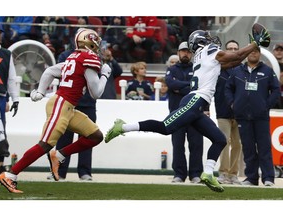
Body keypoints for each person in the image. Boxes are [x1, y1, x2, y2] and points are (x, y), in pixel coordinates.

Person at [104, 28, 270, 192]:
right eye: (206, 37)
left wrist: (254, 46)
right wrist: (254, 44)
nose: (210, 40)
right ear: (200, 41)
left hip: (197, 103)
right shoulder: (208, 50)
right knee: (165, 128)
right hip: (195, 100)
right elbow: (235, 56)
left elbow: (233, 61)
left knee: (220, 139)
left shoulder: (203, 55)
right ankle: (123, 127)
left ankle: (207, 174)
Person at [0, 28, 112, 193]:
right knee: (44, 144)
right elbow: (96, 93)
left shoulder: (74, 56)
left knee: (95, 136)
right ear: (90, 42)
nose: (98, 47)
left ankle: (59, 155)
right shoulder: (87, 58)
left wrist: (41, 91)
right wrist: (105, 75)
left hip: (67, 107)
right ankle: (10, 175)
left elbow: (50, 70)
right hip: (61, 105)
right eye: (95, 42)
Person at [225, 46, 280, 186]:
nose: (253, 53)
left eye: (256, 51)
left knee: (264, 148)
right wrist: (233, 103)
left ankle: (268, 178)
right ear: (247, 54)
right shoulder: (237, 71)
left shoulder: (267, 71)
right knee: (248, 148)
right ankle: (251, 178)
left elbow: (275, 90)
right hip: (242, 116)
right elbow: (228, 88)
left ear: (260, 55)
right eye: (251, 51)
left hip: (261, 117)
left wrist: (265, 105)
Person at [46, 41, 96, 181]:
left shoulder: (94, 57)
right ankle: (60, 172)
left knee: (88, 138)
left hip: (87, 103)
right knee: (63, 138)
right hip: (69, 101)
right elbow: (62, 74)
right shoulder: (66, 55)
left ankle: (85, 171)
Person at [165, 41, 203, 183]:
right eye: (183, 51)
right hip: (177, 113)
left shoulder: (198, 69)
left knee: (196, 145)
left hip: (195, 113)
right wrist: (189, 85)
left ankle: (195, 174)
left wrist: (180, 87)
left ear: (192, 54)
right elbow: (171, 83)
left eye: (188, 51)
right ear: (178, 53)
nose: (185, 53)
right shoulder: (172, 69)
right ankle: (179, 174)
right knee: (178, 145)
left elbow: (199, 87)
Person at [214, 40, 242, 185]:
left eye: (235, 48)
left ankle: (233, 174)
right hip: (223, 112)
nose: (232, 50)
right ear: (225, 51)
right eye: (230, 48)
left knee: (237, 144)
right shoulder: (217, 68)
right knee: (224, 142)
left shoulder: (243, 69)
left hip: (240, 114)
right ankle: (223, 173)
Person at [0, 22, 19, 176]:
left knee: (1, 129)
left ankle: (0, 165)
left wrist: (15, 99)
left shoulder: (6, 54)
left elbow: (11, 78)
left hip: (0, 96)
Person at [272, 43, 283, 108]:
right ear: (273, 52)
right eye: (277, 50)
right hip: (274, 98)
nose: (279, 52)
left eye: (281, 50)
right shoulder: (268, 66)